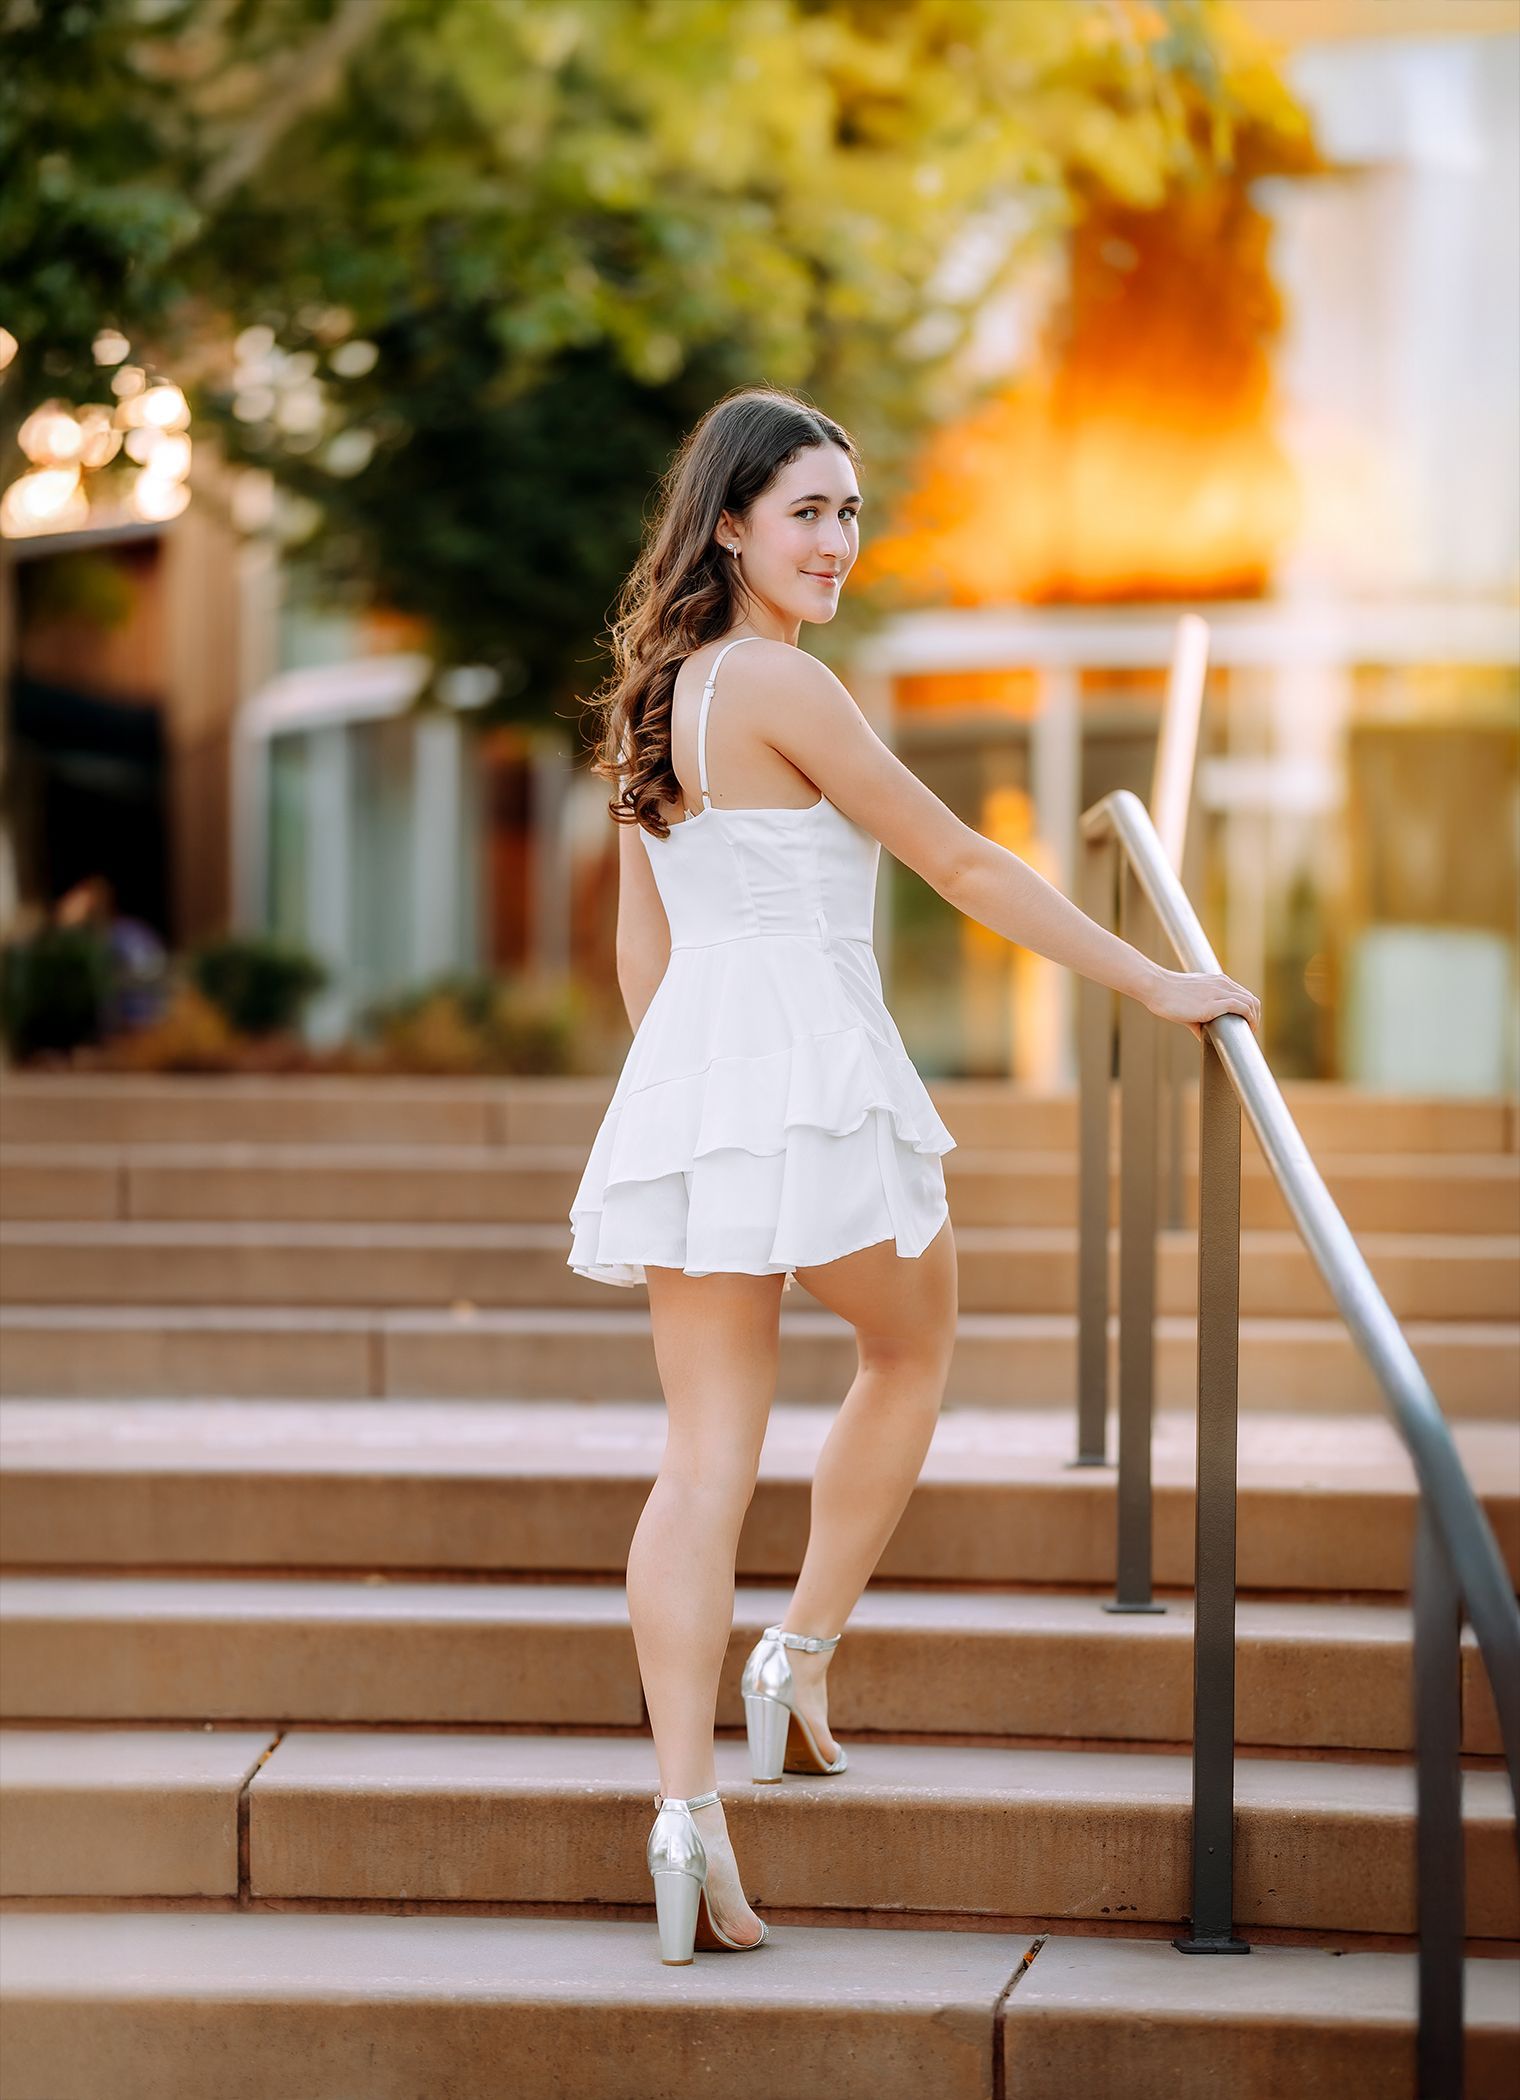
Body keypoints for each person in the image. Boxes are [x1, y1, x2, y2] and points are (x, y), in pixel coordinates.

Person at [567, 385, 1261, 1966]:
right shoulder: (783, 688)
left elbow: (639, 943)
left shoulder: (659, 693)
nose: (836, 539)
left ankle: (686, 1814)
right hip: (805, 1070)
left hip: (697, 1080)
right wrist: (1152, 980)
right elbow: (960, 859)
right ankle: (797, 1651)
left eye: (851, 512)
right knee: (914, 1344)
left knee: (700, 1463)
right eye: (806, 510)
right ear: (729, 524)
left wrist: (684, 1094)